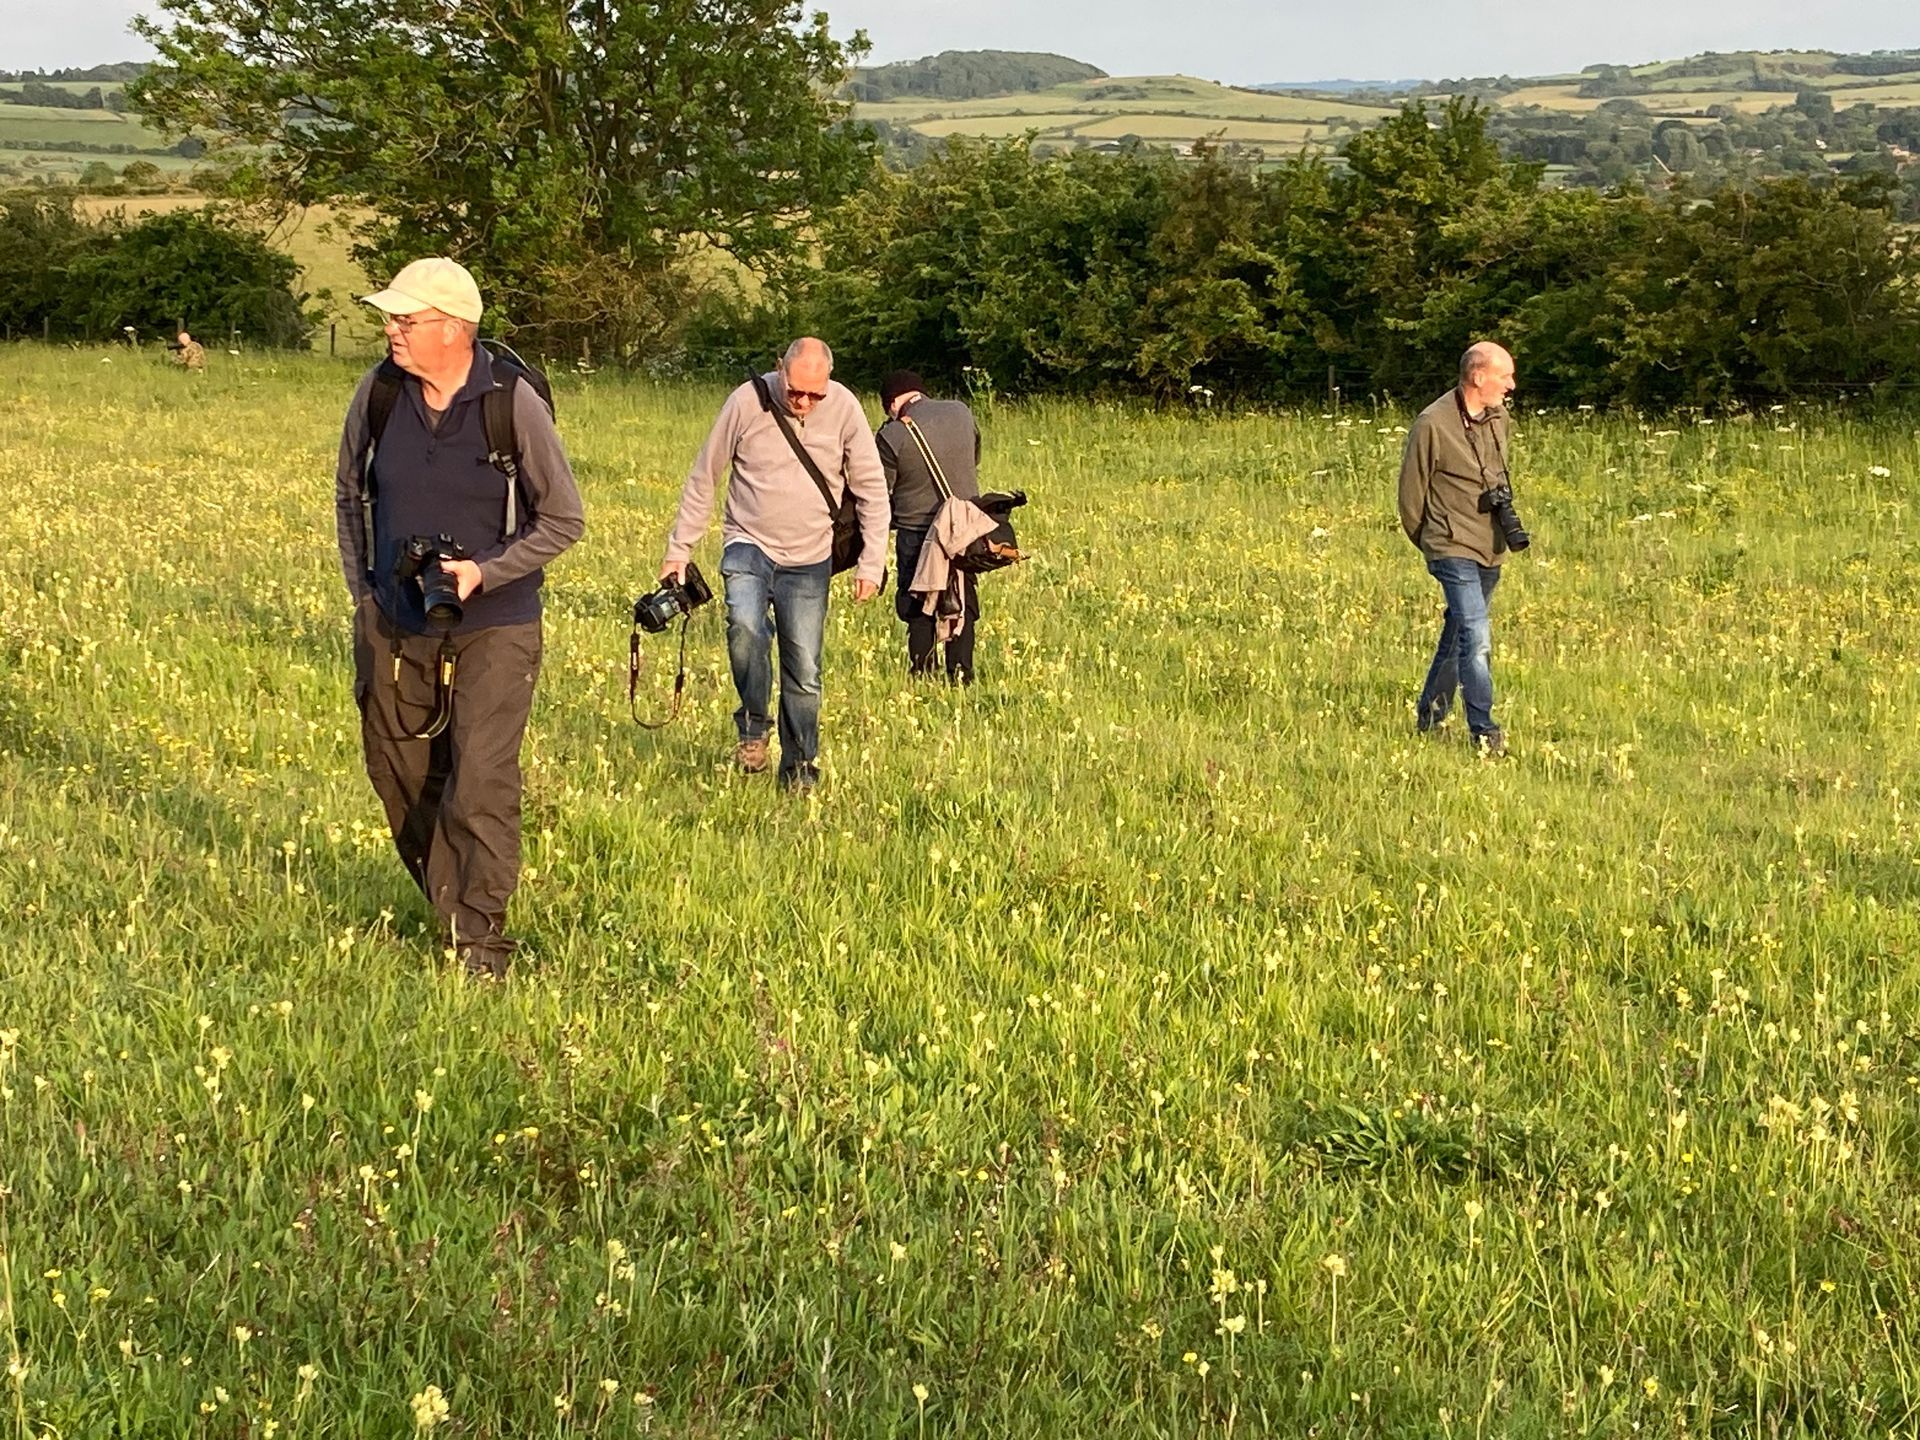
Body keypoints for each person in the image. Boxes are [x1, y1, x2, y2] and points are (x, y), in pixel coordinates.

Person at [334, 257, 585, 978]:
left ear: (454, 330)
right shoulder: (378, 395)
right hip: (393, 616)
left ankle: (481, 941)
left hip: (497, 622)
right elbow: (349, 494)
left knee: (479, 777)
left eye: (405, 320)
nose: (390, 330)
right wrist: (364, 593)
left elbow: (564, 518)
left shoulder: (510, 403)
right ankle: (451, 905)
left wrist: (486, 570)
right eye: (391, 317)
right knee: (400, 772)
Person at [660, 338, 889, 793]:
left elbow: (871, 489)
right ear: (779, 370)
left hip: (809, 557)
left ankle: (800, 767)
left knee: (803, 668)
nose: (803, 403)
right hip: (748, 542)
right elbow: (705, 474)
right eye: (795, 391)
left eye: (814, 395)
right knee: (744, 627)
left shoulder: (844, 408)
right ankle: (753, 723)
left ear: (828, 384)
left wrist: (872, 563)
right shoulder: (747, 402)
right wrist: (678, 549)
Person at [1398, 341, 1518, 757]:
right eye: (1505, 376)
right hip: (1450, 546)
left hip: (1491, 544)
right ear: (1478, 376)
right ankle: (1485, 733)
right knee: (1477, 637)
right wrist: (1433, 542)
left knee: (1458, 635)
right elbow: (1411, 498)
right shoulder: (1432, 423)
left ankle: (1429, 716)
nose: (1512, 385)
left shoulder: (1499, 419)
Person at [874, 369, 984, 684]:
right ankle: (962, 671)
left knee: (919, 602)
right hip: (963, 525)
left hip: (916, 529)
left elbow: (881, 491)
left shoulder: (891, 435)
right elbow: (973, 458)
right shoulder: (961, 412)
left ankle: (922, 673)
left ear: (893, 403)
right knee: (962, 597)